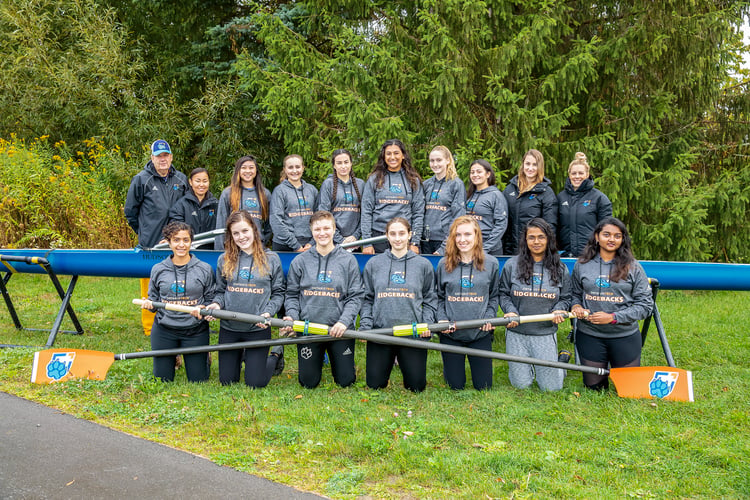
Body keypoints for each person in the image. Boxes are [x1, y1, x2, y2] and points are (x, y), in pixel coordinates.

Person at [282, 211, 364, 388]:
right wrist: (293, 316)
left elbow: (356, 296)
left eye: (327, 228)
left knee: (346, 381)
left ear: (334, 230)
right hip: (309, 329)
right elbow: (292, 295)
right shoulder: (300, 261)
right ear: (311, 232)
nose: (322, 233)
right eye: (317, 229)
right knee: (308, 382)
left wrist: (344, 322)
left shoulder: (348, 260)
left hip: (339, 331)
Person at [571, 217, 653, 391]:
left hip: (624, 335)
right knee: (595, 388)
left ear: (622, 239)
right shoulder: (582, 265)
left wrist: (613, 317)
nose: (611, 239)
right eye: (606, 234)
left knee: (628, 389)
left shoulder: (633, 267)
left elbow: (646, 306)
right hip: (590, 334)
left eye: (617, 236)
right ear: (596, 237)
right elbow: (575, 294)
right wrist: (576, 306)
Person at [205, 210, 285, 388]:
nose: (241, 237)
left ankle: (275, 355)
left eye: (245, 231)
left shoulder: (271, 259)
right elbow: (220, 291)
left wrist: (268, 312)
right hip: (230, 328)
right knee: (227, 382)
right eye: (236, 233)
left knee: (255, 383)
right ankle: (243, 356)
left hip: (257, 327)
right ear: (231, 236)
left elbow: (279, 293)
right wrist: (216, 304)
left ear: (254, 230)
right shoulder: (224, 259)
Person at [360, 217, 437, 392]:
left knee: (416, 387)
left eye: (402, 233)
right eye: (393, 234)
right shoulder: (374, 264)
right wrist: (366, 325)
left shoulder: (423, 265)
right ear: (386, 236)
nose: (397, 238)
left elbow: (430, 299)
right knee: (374, 385)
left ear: (409, 235)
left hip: (412, 332)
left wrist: (426, 323)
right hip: (381, 332)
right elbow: (367, 298)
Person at [499, 218, 571, 391]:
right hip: (517, 332)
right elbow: (503, 294)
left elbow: (566, 298)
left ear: (548, 240)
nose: (536, 242)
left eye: (541, 237)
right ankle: (531, 367)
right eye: (531, 237)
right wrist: (510, 311)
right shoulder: (511, 265)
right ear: (525, 240)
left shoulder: (560, 269)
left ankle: (561, 363)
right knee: (521, 385)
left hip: (544, 332)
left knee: (551, 388)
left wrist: (559, 309)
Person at [125, 139, 189, 335]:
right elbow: (130, 212)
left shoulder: (181, 179)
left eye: (166, 155)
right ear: (152, 158)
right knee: (150, 286)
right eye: (158, 156)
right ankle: (149, 327)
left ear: (171, 157)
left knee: (178, 283)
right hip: (151, 244)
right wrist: (144, 232)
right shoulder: (141, 179)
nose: (163, 159)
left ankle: (177, 320)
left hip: (177, 243)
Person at [139, 221, 215, 382]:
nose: (181, 244)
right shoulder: (158, 269)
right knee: (162, 379)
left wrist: (204, 307)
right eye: (176, 240)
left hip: (195, 329)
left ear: (191, 242)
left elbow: (210, 299)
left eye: (186, 240)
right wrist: (149, 304)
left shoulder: (204, 268)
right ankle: (172, 356)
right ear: (168, 242)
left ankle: (203, 357)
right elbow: (153, 300)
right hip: (165, 329)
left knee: (198, 380)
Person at [436, 216, 499, 390]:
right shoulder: (443, 264)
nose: (462, 240)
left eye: (467, 234)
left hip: (479, 333)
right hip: (451, 333)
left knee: (484, 386)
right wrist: (442, 320)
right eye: (458, 235)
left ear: (477, 236)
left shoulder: (491, 263)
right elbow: (439, 297)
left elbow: (494, 296)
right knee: (455, 386)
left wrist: (489, 317)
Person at [360, 139, 424, 254]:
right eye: (388, 154)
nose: (392, 157)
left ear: (403, 155)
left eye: (396, 153)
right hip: (378, 237)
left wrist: (415, 242)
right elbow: (366, 211)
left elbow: (418, 213)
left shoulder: (413, 180)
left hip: (403, 238)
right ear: (384, 156)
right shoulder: (374, 179)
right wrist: (367, 243)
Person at [502, 149, 558, 255]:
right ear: (523, 165)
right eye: (527, 164)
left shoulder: (546, 192)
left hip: (533, 250)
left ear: (540, 167)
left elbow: (550, 226)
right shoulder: (510, 189)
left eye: (534, 165)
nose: (530, 168)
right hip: (509, 250)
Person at [557, 152, 613, 257]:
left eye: (580, 173)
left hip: (591, 256)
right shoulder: (560, 198)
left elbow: (607, 230)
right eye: (573, 173)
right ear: (569, 175)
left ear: (587, 174)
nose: (577, 176)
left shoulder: (599, 198)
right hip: (565, 256)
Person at [214, 155, 271, 250]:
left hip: (257, 247)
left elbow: (269, 225)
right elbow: (221, 224)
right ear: (238, 171)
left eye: (251, 168)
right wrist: (220, 250)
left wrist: (262, 240)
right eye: (244, 168)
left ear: (256, 170)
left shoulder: (265, 194)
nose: (248, 171)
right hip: (234, 247)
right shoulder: (228, 193)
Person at [421, 146, 466, 255]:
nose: (435, 164)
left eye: (439, 160)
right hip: (425, 240)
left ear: (448, 160)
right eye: (432, 161)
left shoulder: (456, 184)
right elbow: (419, 212)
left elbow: (458, 217)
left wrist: (444, 246)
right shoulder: (426, 184)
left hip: (444, 241)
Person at [270, 154, 318, 252]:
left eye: (298, 167)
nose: (294, 171)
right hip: (284, 245)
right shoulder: (279, 191)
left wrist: (312, 242)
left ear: (303, 168)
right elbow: (276, 220)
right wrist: (296, 245)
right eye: (290, 167)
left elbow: (319, 217)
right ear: (285, 169)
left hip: (309, 245)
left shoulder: (312, 190)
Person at [318, 149, 366, 246]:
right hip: (333, 241)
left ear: (351, 163)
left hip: (355, 241)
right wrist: (340, 239)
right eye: (339, 163)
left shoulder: (360, 184)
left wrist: (356, 236)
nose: (343, 166)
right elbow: (324, 214)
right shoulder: (328, 184)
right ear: (334, 165)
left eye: (346, 162)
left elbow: (365, 213)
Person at [465, 159, 508, 256]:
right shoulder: (469, 195)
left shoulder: (496, 196)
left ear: (488, 174)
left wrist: (485, 248)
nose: (475, 175)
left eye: (479, 171)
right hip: (470, 247)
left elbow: (501, 225)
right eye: (472, 172)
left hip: (490, 250)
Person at [168, 168, 219, 249]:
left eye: (205, 181)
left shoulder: (216, 204)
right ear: (190, 182)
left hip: (211, 253)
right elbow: (175, 230)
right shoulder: (181, 205)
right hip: (187, 251)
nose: (201, 185)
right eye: (198, 181)